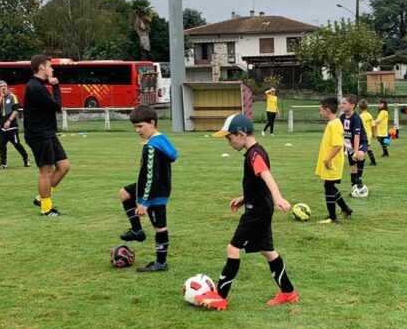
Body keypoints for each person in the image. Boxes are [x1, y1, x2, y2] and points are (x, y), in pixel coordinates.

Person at [193, 113, 299, 310]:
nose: (229, 143)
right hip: (260, 207)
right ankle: (288, 292)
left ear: (241, 134)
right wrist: (243, 198)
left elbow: (266, 176)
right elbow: (258, 183)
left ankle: (220, 297)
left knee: (233, 249)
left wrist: (279, 198)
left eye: (229, 138)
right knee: (267, 251)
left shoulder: (254, 154)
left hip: (257, 212)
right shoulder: (256, 152)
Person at [118, 104, 178, 272]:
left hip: (155, 191)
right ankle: (137, 231)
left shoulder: (152, 146)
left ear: (152, 123)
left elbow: (152, 176)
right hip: (151, 187)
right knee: (124, 194)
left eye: (140, 126)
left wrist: (145, 202)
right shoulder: (158, 140)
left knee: (159, 226)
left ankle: (161, 262)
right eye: (135, 127)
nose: (137, 130)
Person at [24, 54, 70, 217]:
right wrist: (56, 86)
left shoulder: (40, 85)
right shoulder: (34, 87)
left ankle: (40, 198)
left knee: (64, 166)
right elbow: (56, 106)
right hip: (39, 134)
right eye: (50, 66)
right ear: (42, 67)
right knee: (46, 171)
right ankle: (46, 208)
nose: (52, 69)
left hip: (48, 133)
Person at [316, 97, 353, 225]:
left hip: (333, 162)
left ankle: (332, 218)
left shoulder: (336, 124)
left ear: (327, 110)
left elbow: (338, 145)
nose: (320, 112)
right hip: (331, 161)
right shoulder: (332, 123)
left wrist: (328, 159)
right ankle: (346, 209)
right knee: (330, 186)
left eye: (320, 109)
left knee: (328, 187)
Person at [0, 80, 30, 169]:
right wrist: (1, 97)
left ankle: (26, 158)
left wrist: (9, 121)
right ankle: (3, 163)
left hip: (12, 126)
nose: (3, 88)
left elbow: (16, 110)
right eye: (1, 86)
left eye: (4, 86)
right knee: (1, 145)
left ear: (7, 86)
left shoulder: (13, 97)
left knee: (16, 144)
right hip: (2, 128)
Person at [340, 94, 368, 196]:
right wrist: (343, 147)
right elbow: (341, 134)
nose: (341, 105)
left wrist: (356, 152)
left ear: (352, 105)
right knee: (352, 168)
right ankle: (354, 188)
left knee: (359, 155)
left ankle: (359, 179)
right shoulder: (342, 117)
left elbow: (357, 136)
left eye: (344, 103)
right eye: (341, 103)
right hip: (349, 145)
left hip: (361, 142)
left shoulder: (356, 118)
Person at [358, 99, 377, 166]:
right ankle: (373, 161)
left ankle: (362, 161)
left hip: (363, 135)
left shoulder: (360, 116)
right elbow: (373, 125)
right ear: (367, 106)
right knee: (367, 147)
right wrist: (374, 133)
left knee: (363, 148)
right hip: (369, 134)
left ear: (359, 107)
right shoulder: (369, 115)